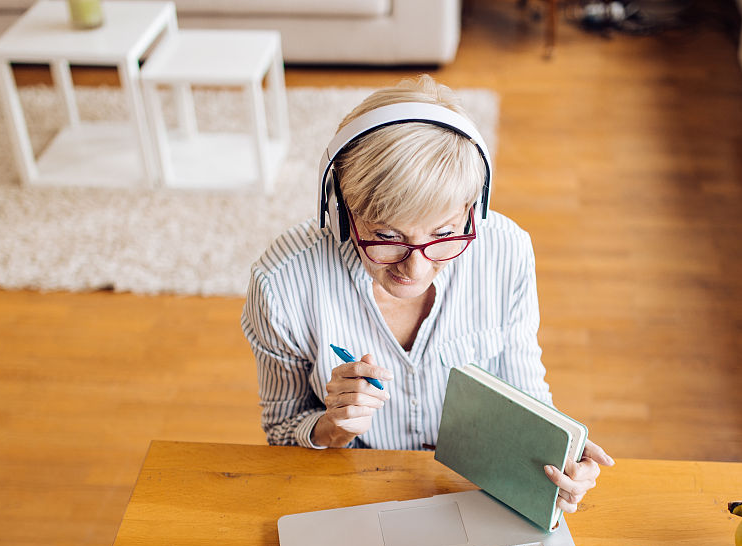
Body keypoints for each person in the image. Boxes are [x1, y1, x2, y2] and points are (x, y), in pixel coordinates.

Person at [241, 75, 612, 516]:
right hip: (352, 494)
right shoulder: (281, 284)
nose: (414, 270)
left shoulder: (506, 250)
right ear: (341, 212)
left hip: (475, 491)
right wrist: (332, 427)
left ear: (474, 208)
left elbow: (525, 390)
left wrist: (558, 453)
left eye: (444, 233)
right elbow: (282, 433)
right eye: (386, 236)